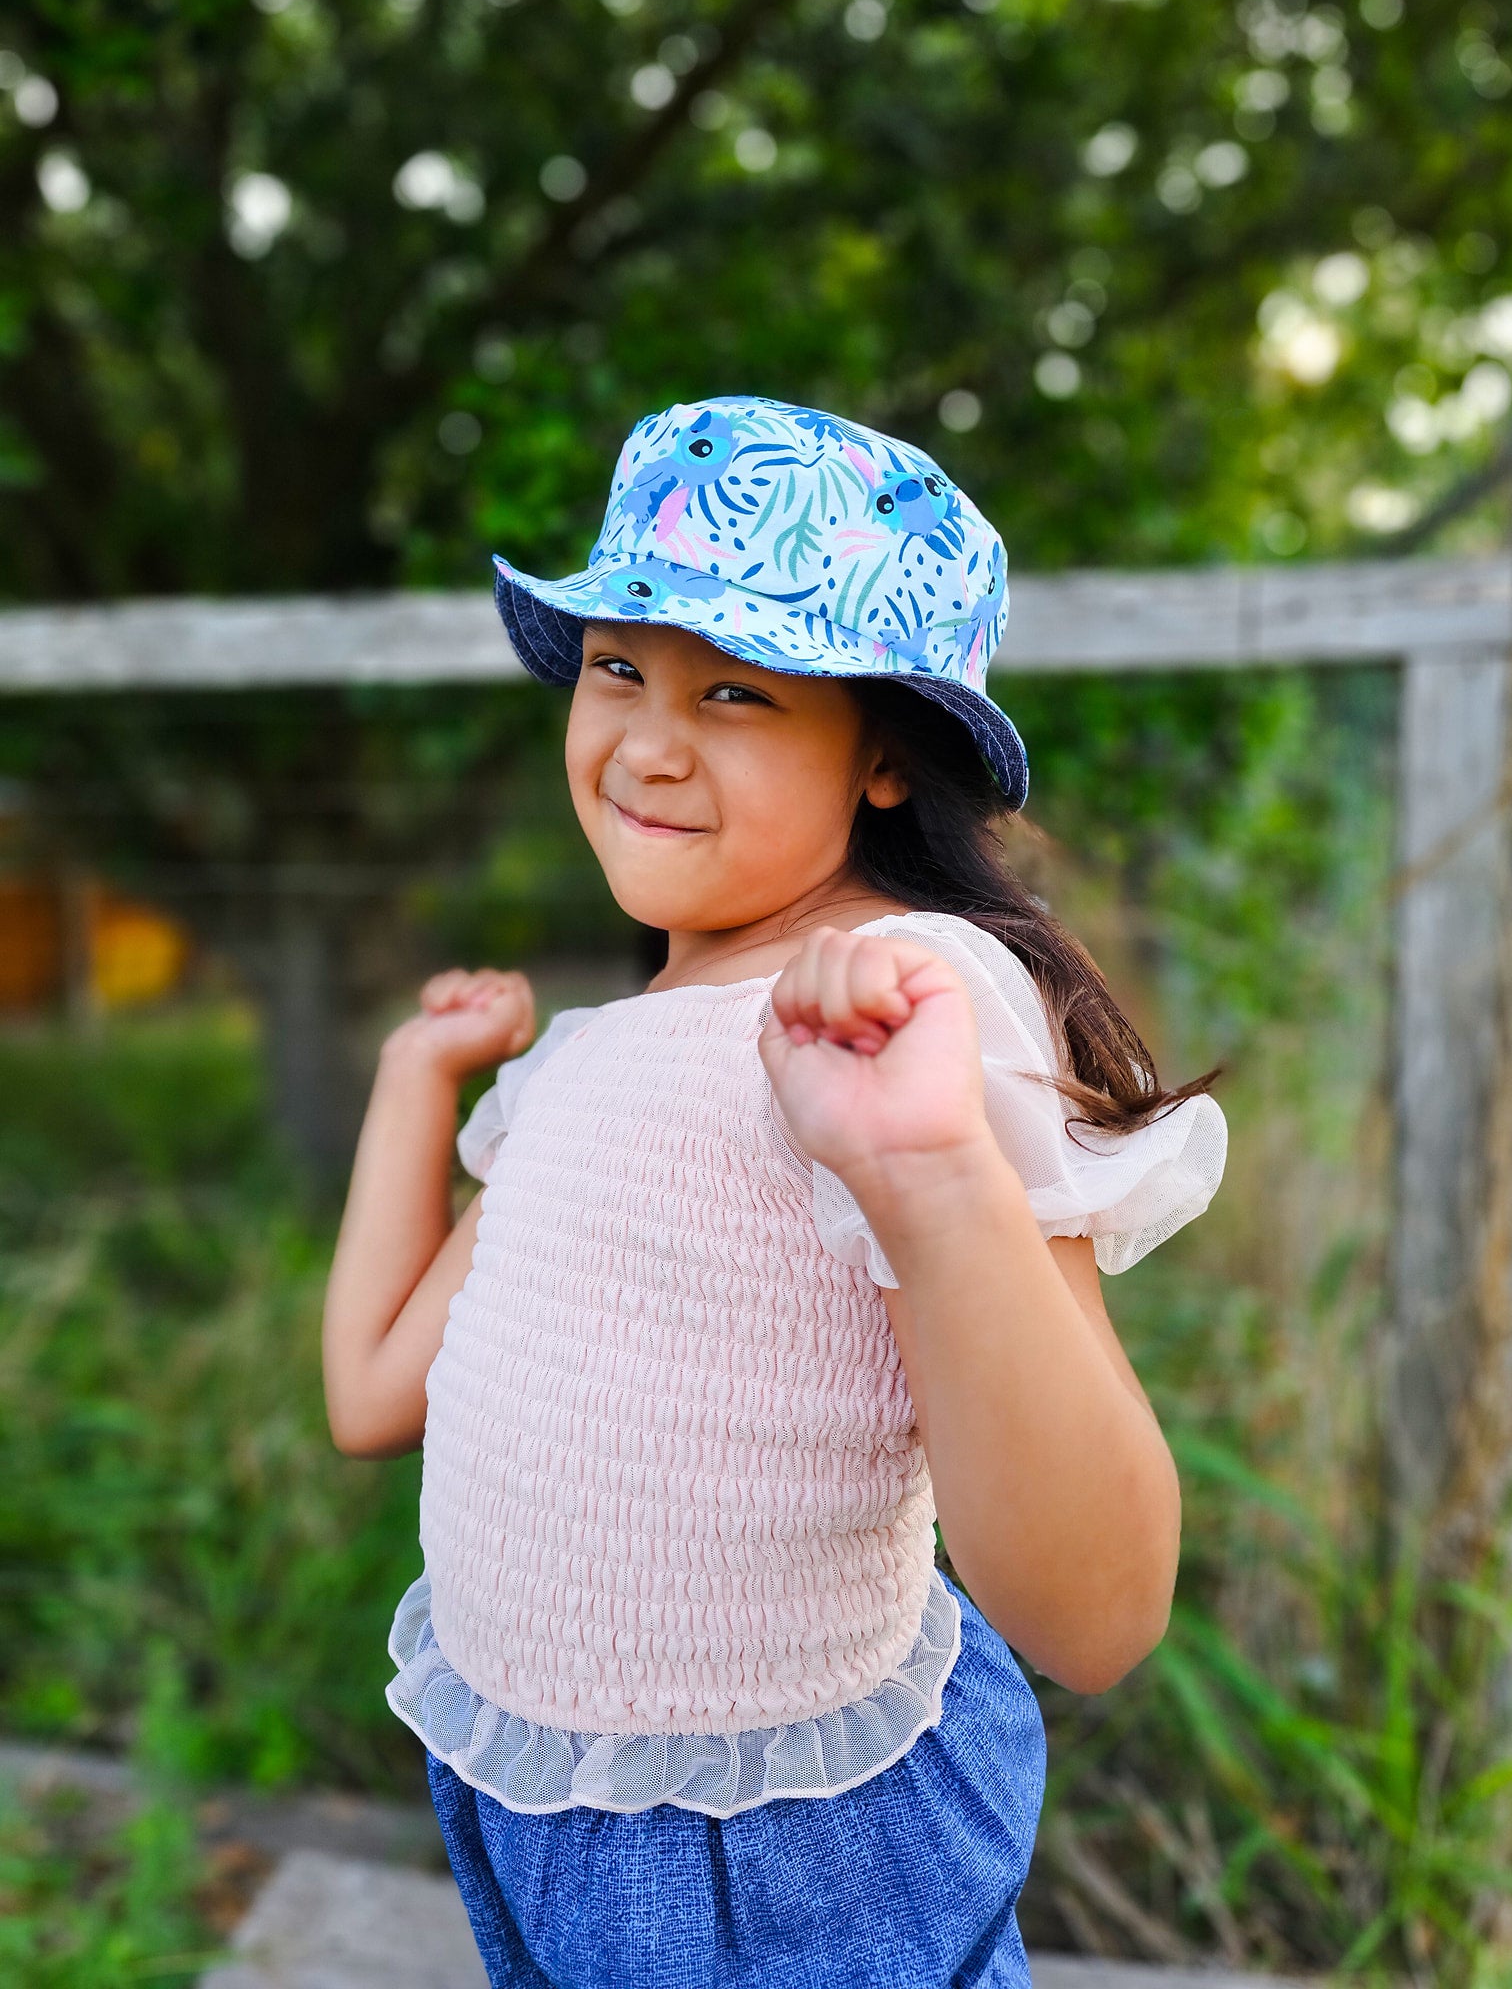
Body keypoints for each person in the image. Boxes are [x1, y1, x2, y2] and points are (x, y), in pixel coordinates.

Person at [321, 396, 1227, 1988]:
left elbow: (1098, 1615)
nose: (648, 743)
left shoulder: (898, 1005)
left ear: (881, 757)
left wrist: (931, 1174)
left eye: (736, 689)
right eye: (618, 667)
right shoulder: (588, 1061)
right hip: (534, 1803)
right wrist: (418, 1077)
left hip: (784, 1851)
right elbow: (374, 1390)